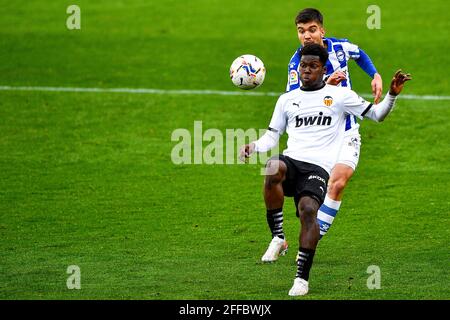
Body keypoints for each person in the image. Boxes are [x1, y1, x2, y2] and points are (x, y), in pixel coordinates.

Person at [239, 43, 411, 296]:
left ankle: (301, 279)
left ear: (322, 69)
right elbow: (272, 137)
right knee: (273, 167)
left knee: (308, 209)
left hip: (318, 168)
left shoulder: (340, 96)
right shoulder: (287, 99)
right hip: (293, 160)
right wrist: (253, 146)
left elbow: (376, 115)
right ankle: (278, 236)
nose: (306, 70)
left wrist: (392, 94)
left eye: (313, 66)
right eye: (303, 66)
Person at [287, 8, 383, 241]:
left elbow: (359, 54)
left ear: (322, 30)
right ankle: (297, 234)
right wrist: (325, 85)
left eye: (311, 29)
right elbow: (295, 100)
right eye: (301, 31)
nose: (307, 35)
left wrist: (375, 75)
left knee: (338, 183)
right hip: (316, 137)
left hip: (347, 131)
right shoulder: (297, 63)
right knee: (308, 201)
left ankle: (312, 238)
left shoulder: (339, 48)